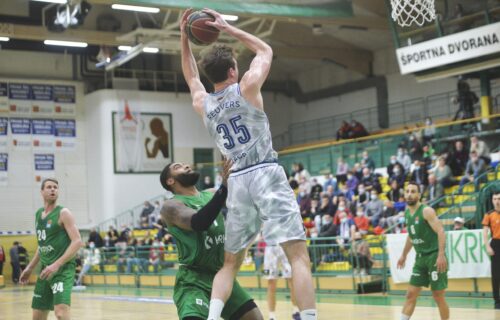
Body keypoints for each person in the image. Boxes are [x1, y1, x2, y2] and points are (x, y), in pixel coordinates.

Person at [180, 8, 316, 320]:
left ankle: (213, 318)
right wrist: (228, 27)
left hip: (236, 181)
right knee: (298, 257)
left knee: (230, 263)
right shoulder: (247, 87)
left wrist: (184, 37)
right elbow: (265, 49)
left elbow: (190, 75)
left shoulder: (204, 104)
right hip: (265, 171)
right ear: (232, 71)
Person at [159, 160, 263, 320]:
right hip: (194, 280)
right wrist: (224, 188)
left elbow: (245, 197)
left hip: (221, 274)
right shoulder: (171, 206)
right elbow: (199, 222)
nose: (186, 165)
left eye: (184, 164)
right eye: (177, 167)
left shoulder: (212, 193)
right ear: (170, 181)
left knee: (254, 318)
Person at [20, 178, 83, 320]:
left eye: (55, 187)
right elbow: (42, 246)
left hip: (63, 270)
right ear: (42, 191)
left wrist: (56, 265)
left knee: (60, 313)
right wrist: (30, 268)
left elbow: (78, 241)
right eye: (49, 187)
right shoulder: (38, 215)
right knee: (37, 316)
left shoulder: (63, 213)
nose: (53, 189)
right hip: (45, 271)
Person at [397, 182, 449, 320]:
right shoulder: (407, 213)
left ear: (419, 195)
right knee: (410, 294)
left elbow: (441, 231)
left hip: (434, 256)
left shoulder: (426, 211)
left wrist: (441, 255)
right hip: (420, 258)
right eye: (407, 191)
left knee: (438, 295)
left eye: (413, 191)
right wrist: (403, 255)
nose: (409, 194)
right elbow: (411, 236)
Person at [263, 243, 301, 320]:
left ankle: (296, 311)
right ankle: (272, 316)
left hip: (286, 244)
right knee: (271, 283)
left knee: (292, 281)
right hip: (271, 247)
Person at [482, 191, 500, 309]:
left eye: (499, 198)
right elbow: (485, 232)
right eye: (495, 199)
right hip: (496, 244)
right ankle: (497, 301)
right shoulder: (489, 214)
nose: (497, 201)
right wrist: (487, 246)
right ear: (492, 200)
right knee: (496, 274)